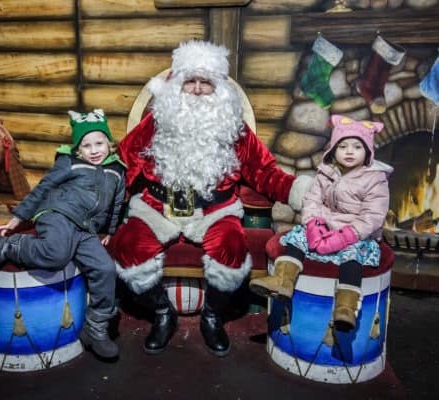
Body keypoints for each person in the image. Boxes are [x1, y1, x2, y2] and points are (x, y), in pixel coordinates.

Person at [111, 40, 312, 357]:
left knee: (231, 248)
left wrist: (298, 191)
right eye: (190, 81)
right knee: (128, 246)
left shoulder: (234, 127)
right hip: (156, 206)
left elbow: (263, 172)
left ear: (218, 86)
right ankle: (163, 314)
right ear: (177, 83)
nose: (197, 89)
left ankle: (212, 316)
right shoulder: (156, 121)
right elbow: (124, 161)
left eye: (205, 82)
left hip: (214, 209)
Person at [0, 109, 126, 359]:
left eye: (99, 143)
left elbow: (116, 204)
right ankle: (8, 246)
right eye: (86, 145)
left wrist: (108, 231)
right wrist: (17, 220)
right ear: (78, 149)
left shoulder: (117, 171)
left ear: (109, 144)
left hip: (86, 229)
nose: (94, 150)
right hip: (58, 214)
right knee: (56, 254)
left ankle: (96, 327)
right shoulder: (69, 162)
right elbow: (43, 188)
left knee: (105, 269)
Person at [249, 114, 393, 331]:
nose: (350, 151)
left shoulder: (374, 179)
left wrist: (347, 235)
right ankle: (282, 280)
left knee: (353, 256)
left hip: (355, 234)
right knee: (297, 236)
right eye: (343, 146)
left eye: (357, 147)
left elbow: (372, 216)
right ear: (334, 150)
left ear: (368, 152)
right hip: (324, 228)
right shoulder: (325, 173)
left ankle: (346, 307)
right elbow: (312, 200)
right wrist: (313, 225)